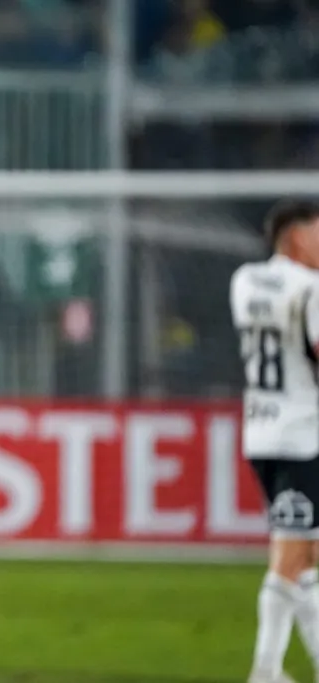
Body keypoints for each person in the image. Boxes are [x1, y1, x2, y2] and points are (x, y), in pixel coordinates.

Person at [230, 199, 319, 683]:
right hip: (302, 436)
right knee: (291, 556)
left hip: (260, 431)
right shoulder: (311, 289)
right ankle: (264, 671)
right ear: (297, 236)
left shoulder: (244, 281)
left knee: (306, 556)